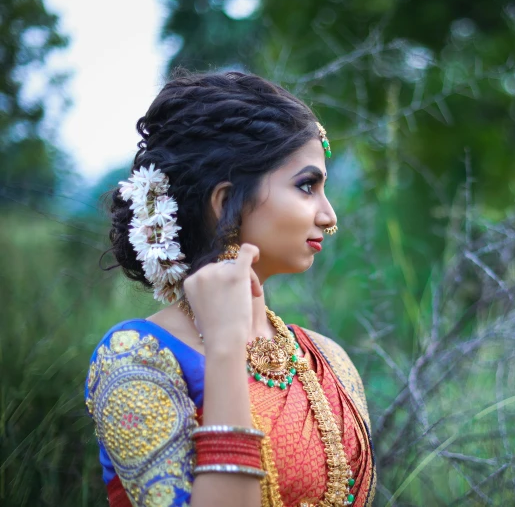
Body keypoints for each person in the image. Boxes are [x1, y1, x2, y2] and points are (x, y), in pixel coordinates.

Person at [84, 71, 375, 507]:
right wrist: (223, 347)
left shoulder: (328, 360)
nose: (329, 216)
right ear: (225, 205)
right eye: (306, 186)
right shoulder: (136, 359)